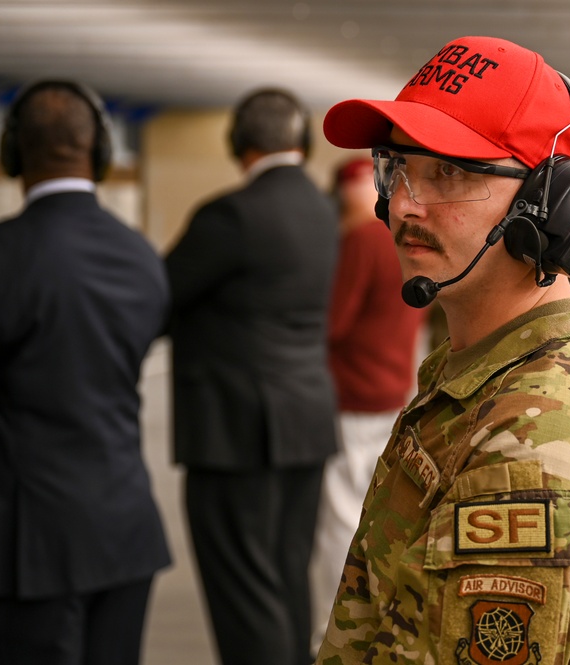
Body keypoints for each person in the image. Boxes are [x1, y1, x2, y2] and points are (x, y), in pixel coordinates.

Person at [315, 35, 570, 665]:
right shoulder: (482, 372)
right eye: (396, 167)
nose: (401, 204)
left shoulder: (539, 440)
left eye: (448, 172)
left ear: (550, 206)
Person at [0, 80, 171, 665]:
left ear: (12, 154)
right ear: (97, 154)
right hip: (122, 535)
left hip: (21, 549)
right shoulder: (141, 256)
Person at [164, 88, 338, 665]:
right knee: (286, 577)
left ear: (238, 142)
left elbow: (158, 298)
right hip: (307, 423)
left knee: (244, 590)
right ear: (304, 142)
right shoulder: (323, 209)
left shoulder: (230, 214)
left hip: (236, 433)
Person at [308, 157, 426, 653]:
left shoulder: (359, 241)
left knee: (339, 519)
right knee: (374, 513)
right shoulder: (401, 240)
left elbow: (333, 323)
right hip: (392, 390)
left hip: (353, 395)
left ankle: (329, 633)